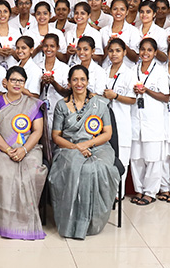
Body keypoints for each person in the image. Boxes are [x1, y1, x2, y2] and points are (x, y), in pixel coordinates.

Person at [48, 65, 121, 239]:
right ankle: (72, 221)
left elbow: (107, 134)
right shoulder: (61, 106)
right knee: (74, 166)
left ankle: (91, 222)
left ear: (88, 81)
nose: (79, 83)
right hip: (69, 147)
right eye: (75, 79)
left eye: (82, 79)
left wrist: (87, 144)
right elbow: (56, 136)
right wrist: (76, 147)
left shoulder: (100, 104)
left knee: (94, 168)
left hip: (99, 147)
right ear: (69, 82)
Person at [0, 66, 48, 240]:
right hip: (0, 147)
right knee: (3, 172)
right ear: (6, 82)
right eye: (13, 80)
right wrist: (9, 150)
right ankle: (3, 222)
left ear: (25, 83)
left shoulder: (32, 104)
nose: (17, 84)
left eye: (21, 81)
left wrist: (24, 150)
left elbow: (37, 131)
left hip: (28, 148)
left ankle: (25, 221)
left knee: (31, 172)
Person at [101, 38, 136, 200]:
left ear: (124, 52)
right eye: (111, 51)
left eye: (117, 51)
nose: (114, 54)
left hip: (121, 120)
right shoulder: (103, 70)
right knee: (106, 155)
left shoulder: (129, 73)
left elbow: (133, 99)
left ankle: (118, 193)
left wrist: (115, 96)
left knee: (122, 157)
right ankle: (107, 191)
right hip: (103, 120)